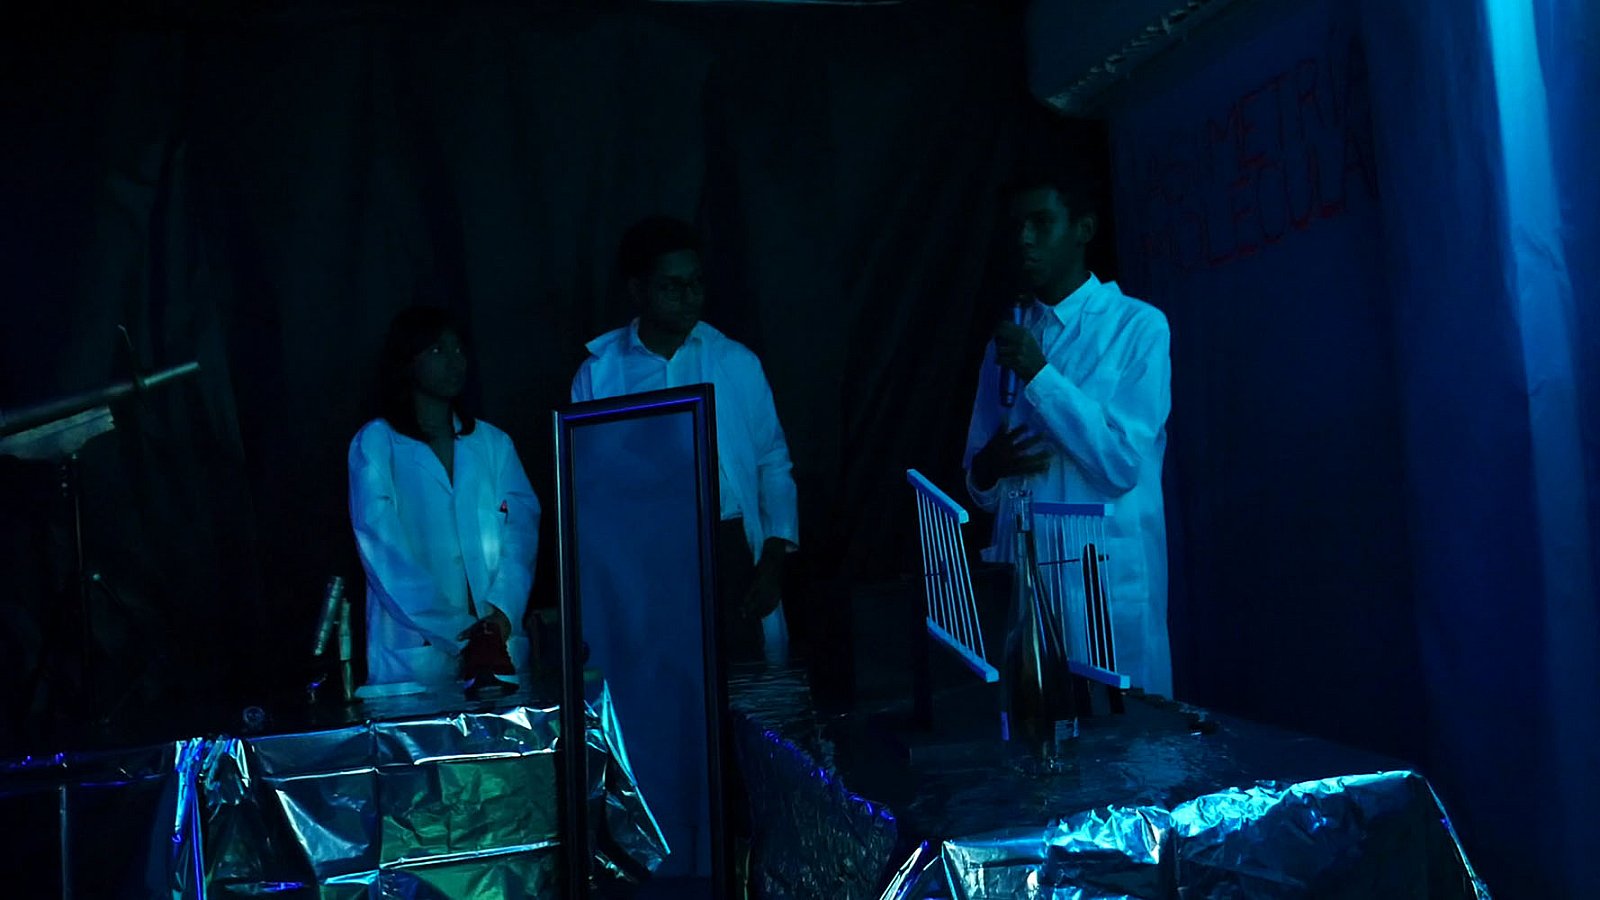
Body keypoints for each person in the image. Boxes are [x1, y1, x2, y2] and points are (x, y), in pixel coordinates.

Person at [963, 167, 1174, 698]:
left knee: (1125, 732)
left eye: (1041, 223)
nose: (1025, 239)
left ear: (1083, 229)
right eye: (1017, 226)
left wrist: (1040, 375)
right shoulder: (1007, 341)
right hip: (1027, 583)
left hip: (1104, 580)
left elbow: (1122, 464)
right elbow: (979, 478)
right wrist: (988, 468)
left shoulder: (1137, 327)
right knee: (1037, 728)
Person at [572, 216, 799, 656]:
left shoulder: (734, 362)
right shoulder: (600, 374)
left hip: (727, 544)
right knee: (661, 674)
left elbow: (772, 461)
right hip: (644, 554)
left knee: (742, 674)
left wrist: (773, 558)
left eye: (695, 283)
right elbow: (591, 489)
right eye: (672, 287)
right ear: (638, 290)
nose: (689, 296)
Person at [348, 305, 541, 694]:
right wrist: (460, 632)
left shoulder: (493, 443)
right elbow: (383, 550)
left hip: (499, 650)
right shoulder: (377, 443)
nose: (454, 361)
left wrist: (500, 616)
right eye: (437, 350)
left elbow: (521, 535)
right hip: (416, 657)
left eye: (457, 349)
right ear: (408, 361)